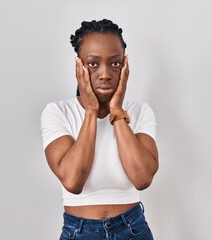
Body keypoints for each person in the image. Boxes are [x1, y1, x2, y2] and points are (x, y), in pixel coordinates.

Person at [41, 19, 159, 240]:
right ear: (79, 66)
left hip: (133, 230)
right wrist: (91, 112)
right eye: (93, 64)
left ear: (124, 65)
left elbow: (142, 178)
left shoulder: (140, 112)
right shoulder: (58, 112)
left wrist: (116, 111)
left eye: (114, 64)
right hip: (79, 232)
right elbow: (73, 181)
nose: (105, 74)